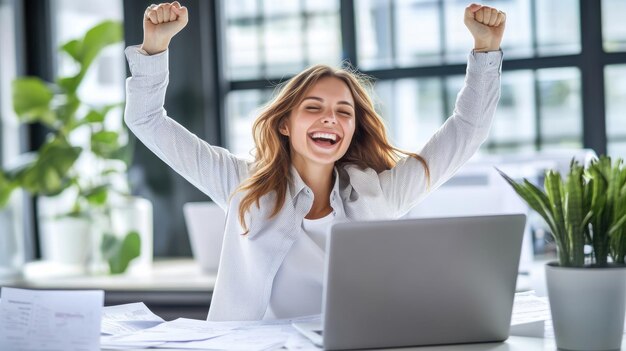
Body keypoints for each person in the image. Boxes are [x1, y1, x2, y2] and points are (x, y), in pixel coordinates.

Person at [125, 2, 506, 321]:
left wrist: (486, 52)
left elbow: (466, 131)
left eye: (344, 112)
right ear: (286, 124)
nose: (330, 118)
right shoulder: (241, 184)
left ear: (353, 130)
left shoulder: (380, 193)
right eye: (313, 107)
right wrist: (154, 49)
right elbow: (146, 120)